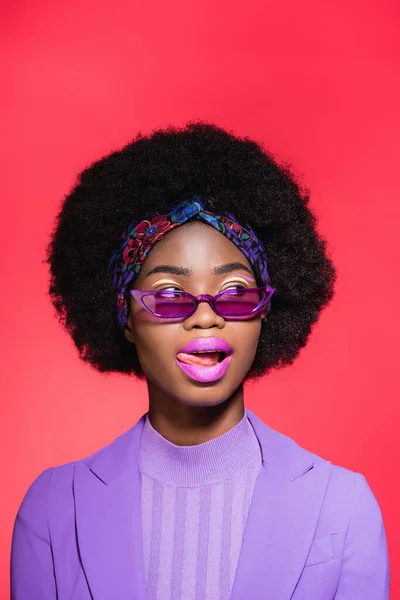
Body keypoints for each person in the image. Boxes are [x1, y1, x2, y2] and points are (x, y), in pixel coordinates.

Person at [10, 122, 390, 599]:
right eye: (170, 295)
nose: (205, 317)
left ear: (265, 310)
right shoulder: (52, 510)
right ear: (125, 316)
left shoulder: (343, 507)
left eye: (234, 293)